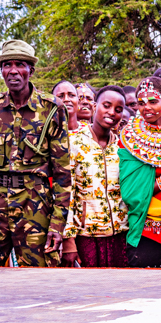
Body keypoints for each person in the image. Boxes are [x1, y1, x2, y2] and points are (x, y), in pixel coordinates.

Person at [0, 40, 71, 268]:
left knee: (37, 278)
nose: (13, 71)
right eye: (7, 65)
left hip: (35, 204)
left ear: (31, 70)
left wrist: (56, 225)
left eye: (20, 65)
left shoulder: (52, 108)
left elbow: (63, 173)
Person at [119, 76, 161, 269]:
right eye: (141, 103)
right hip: (145, 231)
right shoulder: (127, 139)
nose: (146, 107)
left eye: (153, 101)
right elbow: (132, 193)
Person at [63, 86, 130, 268]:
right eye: (106, 106)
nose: (111, 113)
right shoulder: (73, 142)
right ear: (94, 106)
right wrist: (68, 240)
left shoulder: (122, 148)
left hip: (119, 236)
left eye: (118, 109)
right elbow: (65, 193)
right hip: (85, 236)